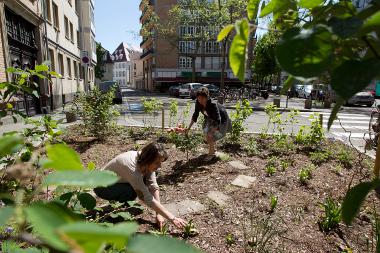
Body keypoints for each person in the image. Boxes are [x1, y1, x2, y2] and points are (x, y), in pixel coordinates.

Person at [94, 142, 187, 229]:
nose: (160, 166)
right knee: (131, 191)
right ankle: (118, 212)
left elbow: (153, 185)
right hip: (101, 187)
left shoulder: (144, 159)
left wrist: (159, 214)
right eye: (157, 163)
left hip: (118, 182)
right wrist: (173, 218)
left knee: (146, 180)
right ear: (148, 160)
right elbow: (146, 197)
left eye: (161, 163)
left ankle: (123, 205)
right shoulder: (132, 169)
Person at [186, 87, 231, 158]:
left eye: (203, 98)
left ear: (207, 97)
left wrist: (212, 131)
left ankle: (211, 154)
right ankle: (213, 149)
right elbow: (195, 115)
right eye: (199, 98)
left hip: (221, 120)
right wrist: (188, 128)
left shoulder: (213, 104)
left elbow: (218, 119)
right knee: (206, 132)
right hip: (210, 118)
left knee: (210, 135)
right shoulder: (198, 102)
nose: (201, 100)